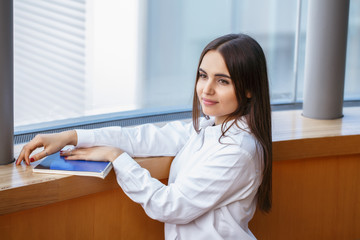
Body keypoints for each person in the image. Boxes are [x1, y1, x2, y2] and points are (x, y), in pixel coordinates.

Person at [16, 33, 272, 240]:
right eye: (203, 76)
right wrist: (71, 136)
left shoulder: (238, 150)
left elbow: (170, 205)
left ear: (249, 89)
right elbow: (142, 138)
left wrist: (117, 157)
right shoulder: (208, 128)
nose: (206, 89)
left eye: (222, 81)